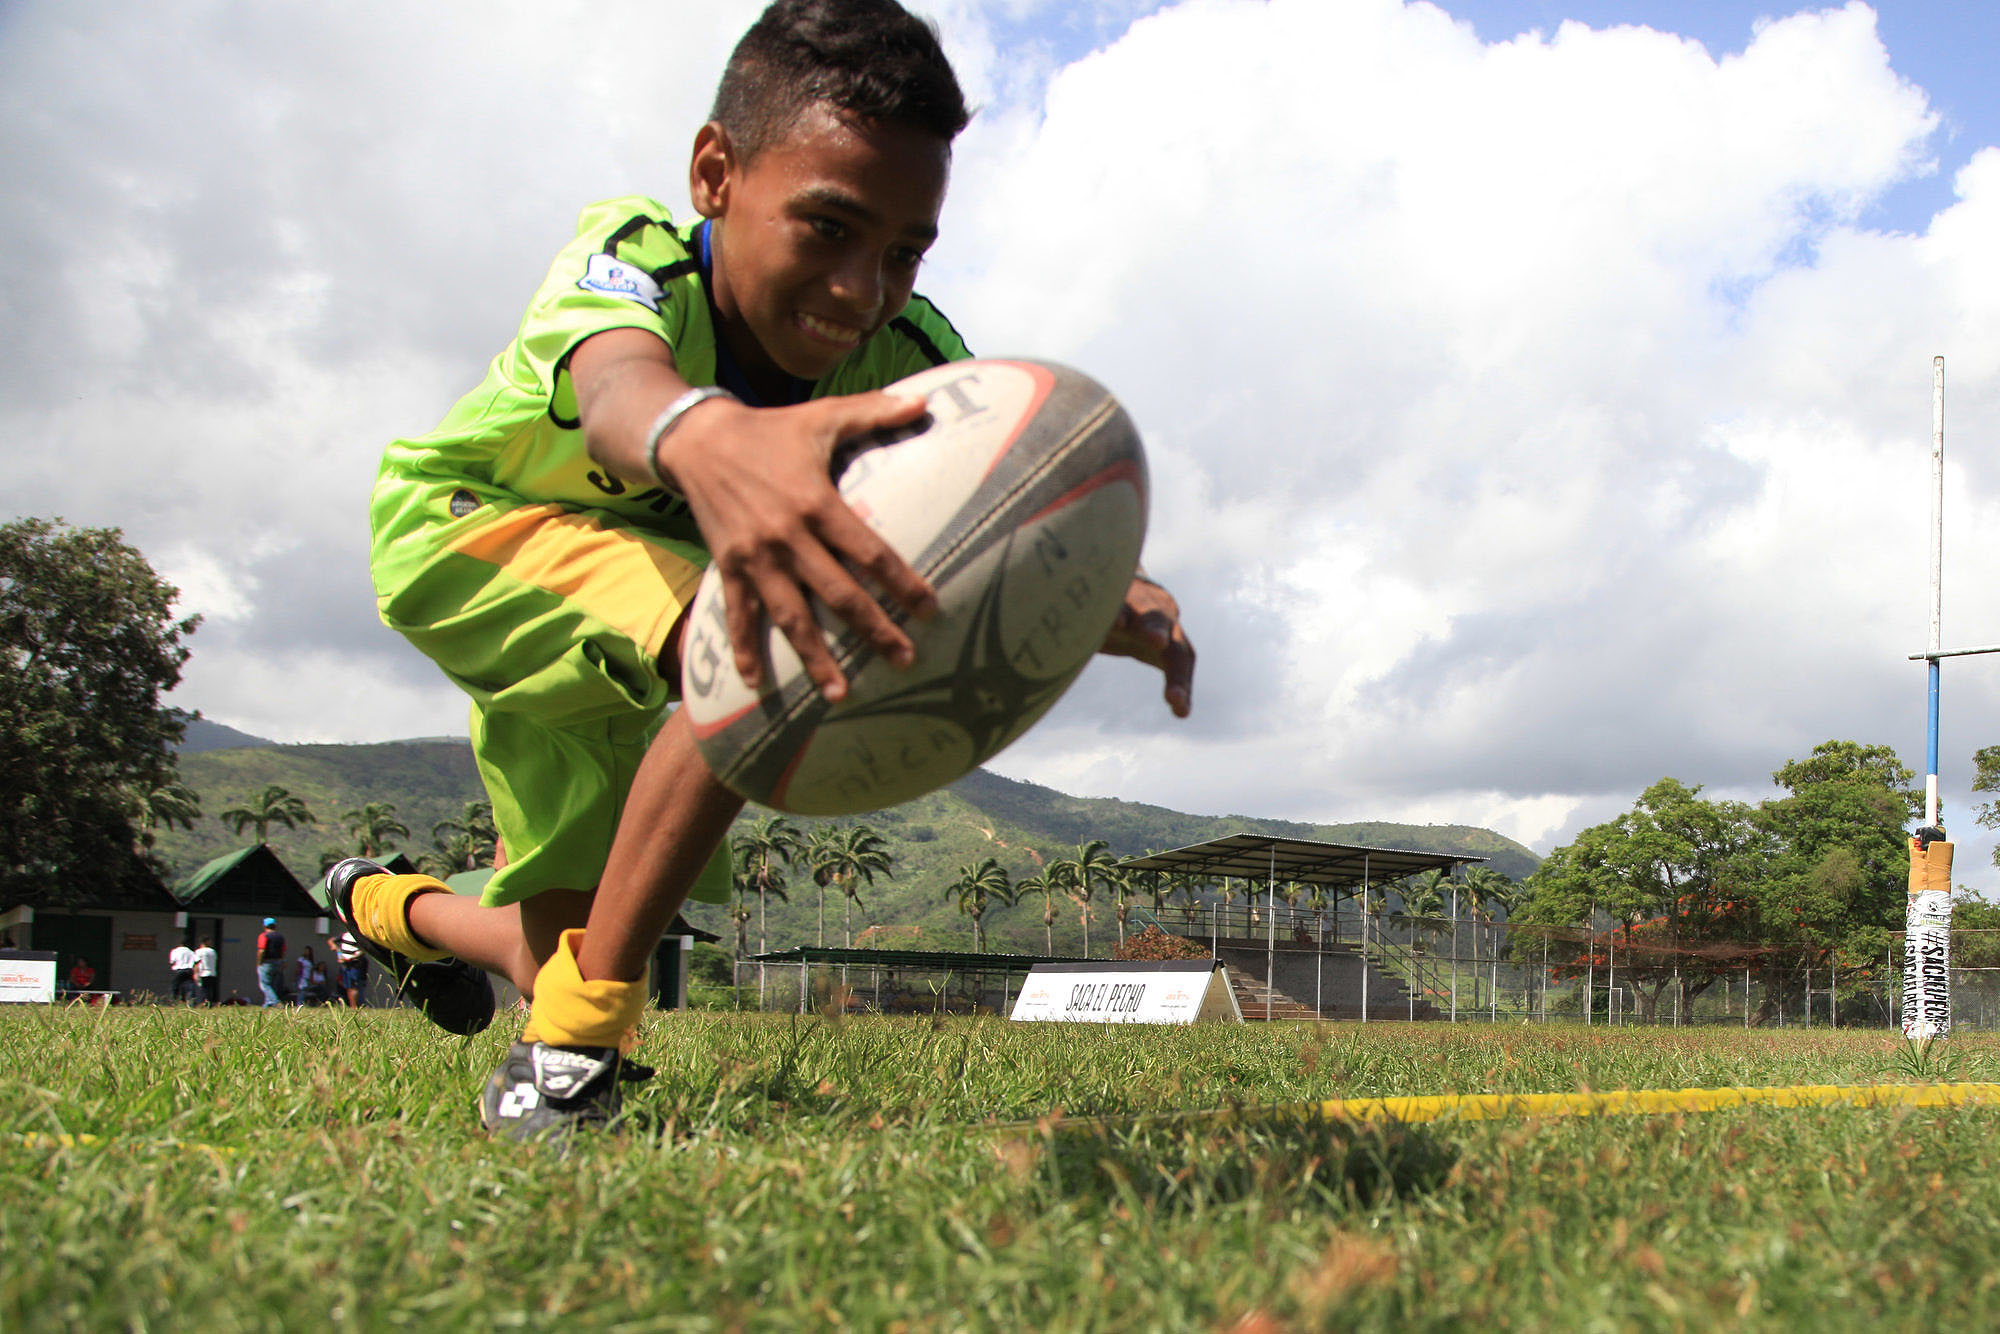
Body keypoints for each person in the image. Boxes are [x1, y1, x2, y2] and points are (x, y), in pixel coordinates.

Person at [332, 0, 1193, 1143]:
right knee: (755, 633)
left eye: (900, 251)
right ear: (714, 172)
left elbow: (994, 495)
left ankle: (383, 906)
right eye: (826, 227)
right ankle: (568, 1055)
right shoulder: (633, 254)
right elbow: (615, 391)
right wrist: (701, 431)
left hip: (639, 604)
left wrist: (1091, 580)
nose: (858, 288)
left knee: (558, 938)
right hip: (473, 535)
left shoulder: (903, 361)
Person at [255, 917, 289, 1007]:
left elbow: (261, 950)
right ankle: (267, 1004)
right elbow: (283, 951)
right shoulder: (280, 937)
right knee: (273, 985)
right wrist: (282, 961)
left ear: (264, 926)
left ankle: (275, 1001)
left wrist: (259, 962)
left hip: (266, 962)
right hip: (278, 962)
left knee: (265, 985)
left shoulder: (264, 936)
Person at [330, 930, 368, 1007]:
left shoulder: (359, 936)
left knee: (355, 986)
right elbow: (331, 941)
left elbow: (364, 950)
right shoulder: (344, 935)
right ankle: (352, 1006)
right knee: (349, 987)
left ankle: (357, 1006)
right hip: (345, 965)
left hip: (356, 965)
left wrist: (351, 958)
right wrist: (338, 951)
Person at [193, 936, 219, 1006]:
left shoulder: (198, 951)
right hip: (212, 972)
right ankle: (210, 1002)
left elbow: (196, 963)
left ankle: (205, 1003)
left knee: (204, 989)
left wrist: (195, 974)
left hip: (203, 973)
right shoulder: (213, 951)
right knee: (210, 989)